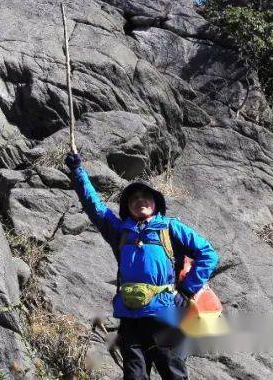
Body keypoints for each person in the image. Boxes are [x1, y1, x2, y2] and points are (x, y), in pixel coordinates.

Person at [65, 152, 218, 380]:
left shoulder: (170, 227)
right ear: (128, 208)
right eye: (134, 199)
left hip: (166, 314)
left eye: (145, 197)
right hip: (130, 318)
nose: (140, 201)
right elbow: (93, 206)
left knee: (174, 375)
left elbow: (208, 254)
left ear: (155, 203)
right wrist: (78, 172)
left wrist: (187, 289)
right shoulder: (120, 231)